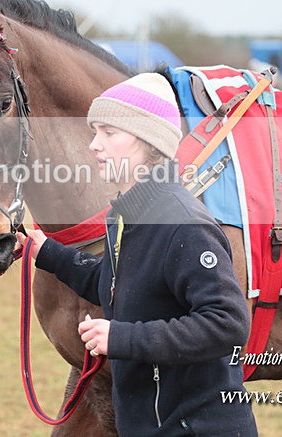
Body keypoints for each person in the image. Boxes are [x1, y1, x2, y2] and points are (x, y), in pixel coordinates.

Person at [16, 73, 257, 436]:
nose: (94, 144)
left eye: (110, 133)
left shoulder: (184, 225)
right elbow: (116, 283)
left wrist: (121, 338)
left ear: (148, 142)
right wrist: (46, 251)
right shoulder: (125, 214)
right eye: (96, 131)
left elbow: (229, 324)